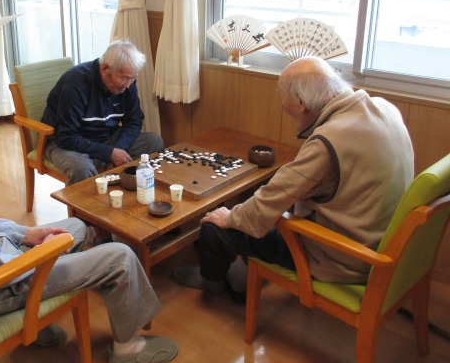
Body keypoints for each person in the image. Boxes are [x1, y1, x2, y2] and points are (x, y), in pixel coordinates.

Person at [0, 87, 178, 363]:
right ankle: (127, 348)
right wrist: (42, 253)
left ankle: (41, 315)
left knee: (75, 227)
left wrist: (26, 234)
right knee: (119, 256)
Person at [175, 56, 414, 299]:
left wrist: (228, 217)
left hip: (342, 257)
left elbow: (266, 204)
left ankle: (212, 283)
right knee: (265, 203)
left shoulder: (328, 142)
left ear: (301, 103)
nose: (283, 104)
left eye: (284, 98)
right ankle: (241, 275)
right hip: (379, 242)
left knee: (216, 227)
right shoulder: (385, 108)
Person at [42, 39, 163, 185]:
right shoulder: (75, 84)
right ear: (105, 69)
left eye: (133, 78)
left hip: (105, 137)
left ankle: (124, 190)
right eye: (124, 78)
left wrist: (116, 149)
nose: (128, 85)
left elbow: (134, 120)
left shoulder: (128, 83)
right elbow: (66, 137)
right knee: (82, 169)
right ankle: (88, 200)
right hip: (65, 143)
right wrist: (109, 153)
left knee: (154, 142)